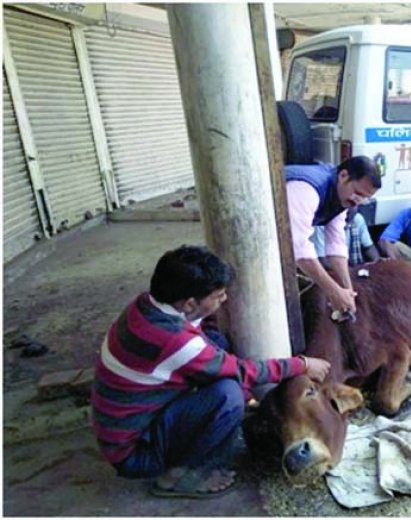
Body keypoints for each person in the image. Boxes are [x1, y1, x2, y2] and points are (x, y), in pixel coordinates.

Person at [91, 245, 330, 499]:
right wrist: (301, 364)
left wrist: (213, 313)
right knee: (229, 394)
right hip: (136, 453)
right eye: (218, 296)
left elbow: (205, 336)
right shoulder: (175, 341)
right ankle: (181, 476)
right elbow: (242, 371)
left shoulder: (147, 305)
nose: (224, 299)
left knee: (218, 343)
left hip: (128, 428)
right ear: (190, 303)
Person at [286, 156, 381, 317]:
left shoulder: (343, 196)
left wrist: (347, 290)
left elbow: (336, 245)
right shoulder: (306, 189)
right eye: (357, 193)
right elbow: (299, 248)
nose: (357, 201)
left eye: (364, 198)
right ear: (343, 176)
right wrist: (333, 291)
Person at [312, 207, 381, 266]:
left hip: (352, 265)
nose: (351, 210)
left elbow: (368, 247)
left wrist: (377, 262)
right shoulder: (321, 225)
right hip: (332, 269)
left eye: (354, 207)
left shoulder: (357, 219)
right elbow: (323, 260)